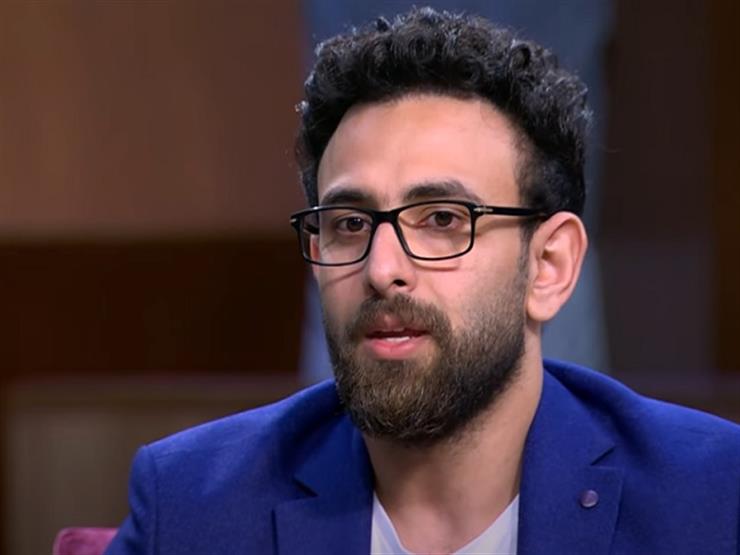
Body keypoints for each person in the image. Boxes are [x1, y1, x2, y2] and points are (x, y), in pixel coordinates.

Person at [104, 7, 740, 555]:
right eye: (350, 224)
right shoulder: (191, 504)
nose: (382, 270)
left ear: (549, 266)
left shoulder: (712, 498)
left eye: (442, 219)